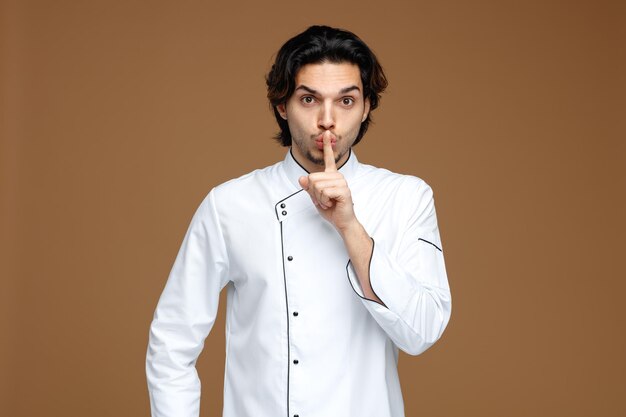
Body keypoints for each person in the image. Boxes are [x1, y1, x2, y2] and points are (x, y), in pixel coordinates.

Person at [146, 25, 452, 417]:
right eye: (309, 99)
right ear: (281, 106)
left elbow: (422, 332)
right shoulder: (230, 204)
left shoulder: (406, 198)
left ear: (367, 107)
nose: (327, 120)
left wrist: (349, 226)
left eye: (346, 101)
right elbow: (172, 342)